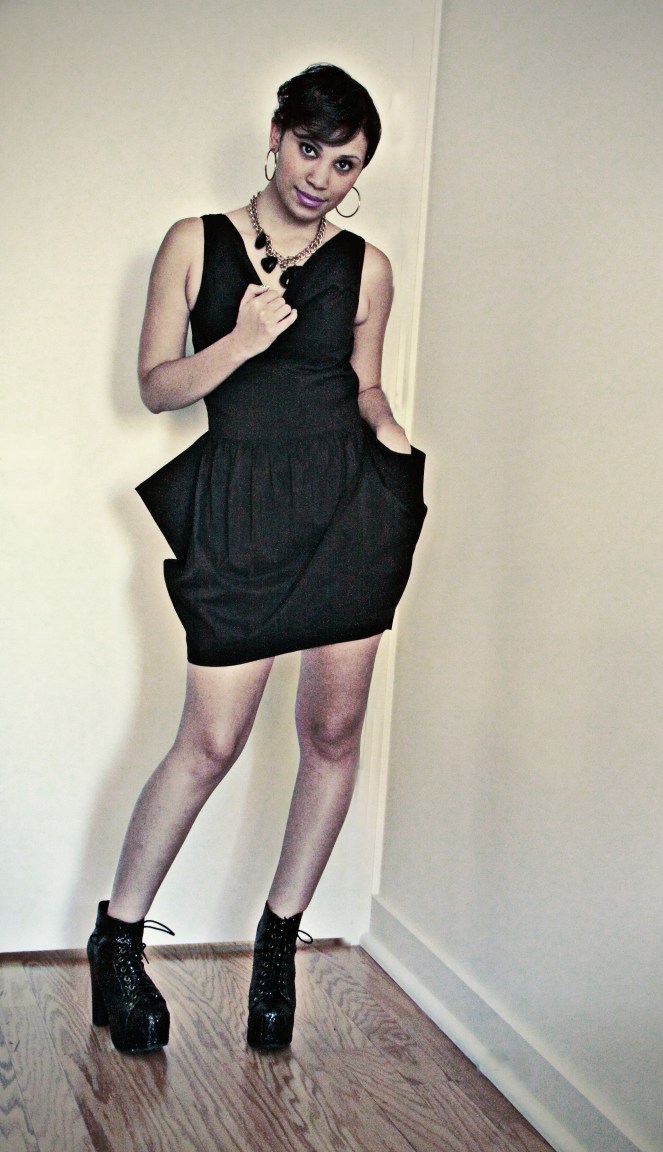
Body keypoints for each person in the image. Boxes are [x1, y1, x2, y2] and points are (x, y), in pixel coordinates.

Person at [86, 64, 426, 1055]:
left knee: (333, 731)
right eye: (311, 149)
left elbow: (364, 385)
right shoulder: (194, 243)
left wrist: (390, 430)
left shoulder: (368, 268)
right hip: (239, 509)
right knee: (211, 741)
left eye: (346, 163)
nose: (322, 176)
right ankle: (118, 941)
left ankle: (278, 942)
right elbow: (157, 387)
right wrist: (240, 340)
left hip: (348, 511)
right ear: (276, 136)